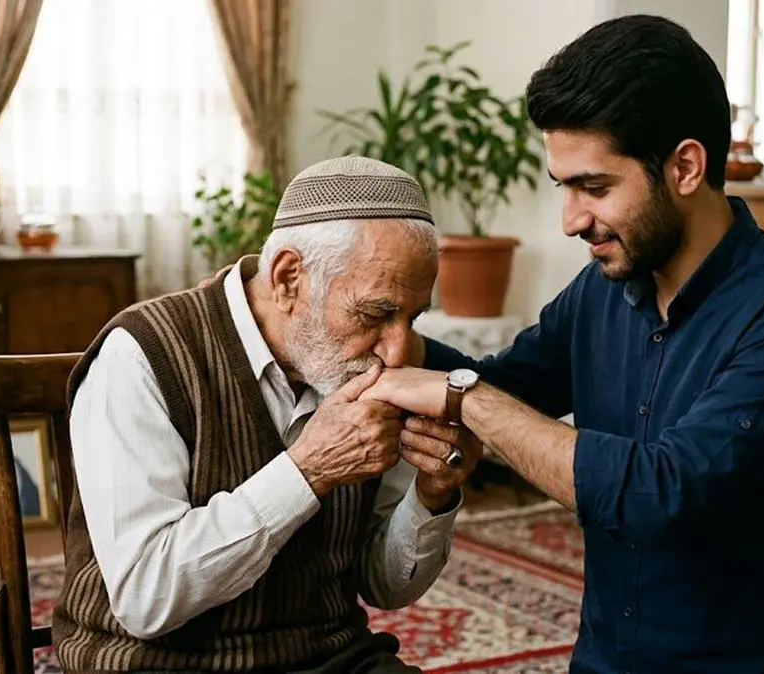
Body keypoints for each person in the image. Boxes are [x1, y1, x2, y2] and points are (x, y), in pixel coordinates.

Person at [359, 15, 764, 674]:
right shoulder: (603, 288)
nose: (571, 221)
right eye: (563, 186)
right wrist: (377, 329)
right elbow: (507, 383)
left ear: (685, 166)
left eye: (594, 187)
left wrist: (464, 400)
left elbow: (661, 493)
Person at [53, 156, 483, 673]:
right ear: (287, 279)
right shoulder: (140, 355)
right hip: (157, 662)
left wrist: (431, 497)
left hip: (328, 658)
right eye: (376, 313)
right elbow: (147, 598)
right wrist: (308, 471)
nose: (397, 352)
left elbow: (383, 586)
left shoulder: (377, 360)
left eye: (411, 317)